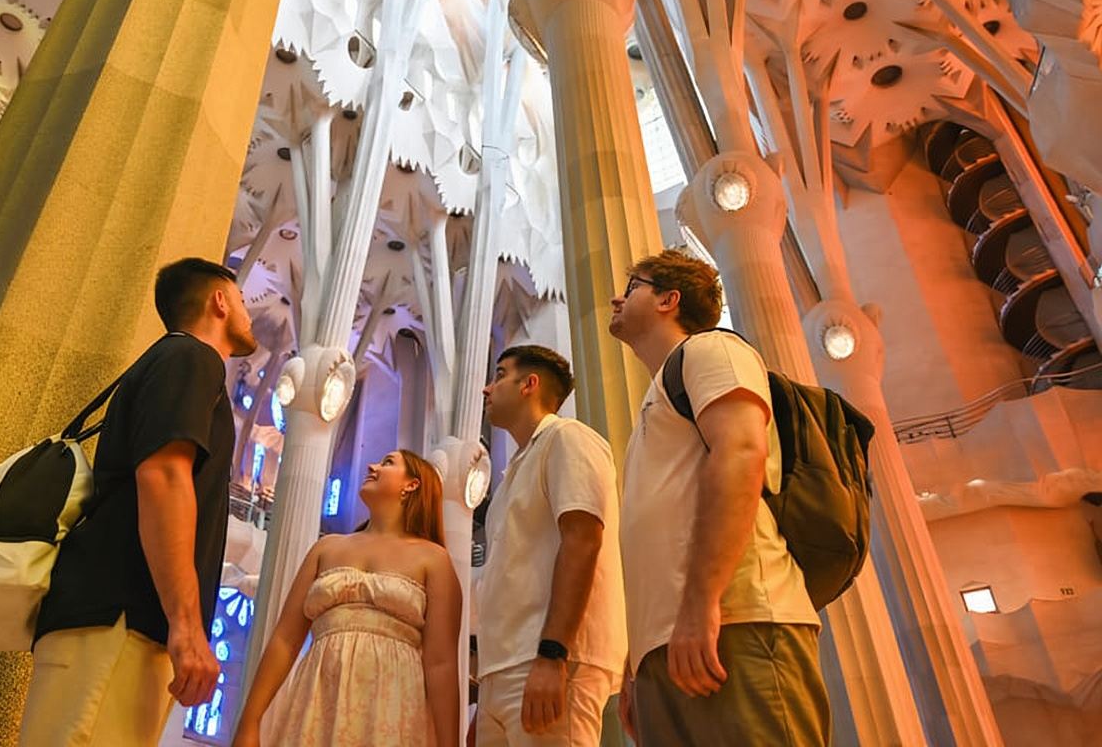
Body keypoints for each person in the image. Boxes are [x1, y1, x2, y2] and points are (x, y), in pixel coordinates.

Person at [18, 257, 258, 746]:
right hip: (121, 618)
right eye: (243, 302)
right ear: (220, 300)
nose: (249, 314)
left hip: (119, 622)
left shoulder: (170, 361)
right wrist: (187, 625)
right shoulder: (193, 359)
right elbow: (165, 476)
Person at [608, 249, 829, 746]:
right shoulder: (656, 398)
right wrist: (638, 660)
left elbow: (740, 453)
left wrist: (702, 602)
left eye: (633, 285)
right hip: (672, 641)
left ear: (669, 299)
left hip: (735, 620)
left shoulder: (710, 351)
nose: (615, 298)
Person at [232, 448, 462, 747]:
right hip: (318, 699)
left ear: (412, 485)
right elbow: (285, 641)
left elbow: (440, 663)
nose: (372, 464)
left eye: (387, 462)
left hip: (391, 707)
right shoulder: (325, 549)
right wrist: (249, 721)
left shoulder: (433, 560)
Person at [475, 345, 627, 746]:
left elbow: (582, 539)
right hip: (504, 666)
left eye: (500, 375)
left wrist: (553, 653)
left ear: (530, 384)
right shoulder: (513, 474)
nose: (487, 390)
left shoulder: (568, 438)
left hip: (545, 657)